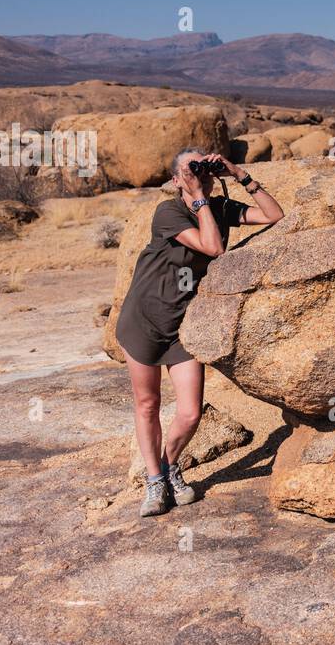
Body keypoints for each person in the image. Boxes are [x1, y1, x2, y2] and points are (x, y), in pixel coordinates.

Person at [115, 149, 284, 516]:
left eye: (202, 168)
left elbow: (274, 215)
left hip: (180, 328)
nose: (198, 174)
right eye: (189, 171)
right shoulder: (169, 212)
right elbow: (212, 246)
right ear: (176, 180)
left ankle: (169, 465)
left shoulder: (219, 208)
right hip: (143, 320)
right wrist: (197, 198)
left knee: (190, 413)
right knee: (148, 405)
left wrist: (238, 173)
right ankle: (155, 481)